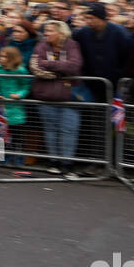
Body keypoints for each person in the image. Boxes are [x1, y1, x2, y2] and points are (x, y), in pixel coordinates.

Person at [29, 19, 85, 176]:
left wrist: (49, 65)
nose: (46, 34)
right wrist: (60, 68)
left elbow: (74, 66)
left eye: (50, 31)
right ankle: (53, 161)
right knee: (50, 130)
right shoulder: (42, 45)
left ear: (61, 32)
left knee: (68, 130)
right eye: (45, 31)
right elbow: (35, 66)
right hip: (46, 95)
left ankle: (67, 163)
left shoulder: (72, 45)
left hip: (69, 96)